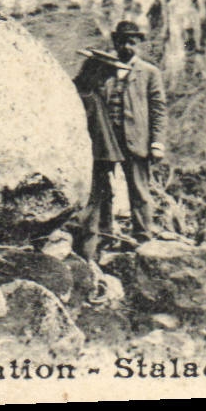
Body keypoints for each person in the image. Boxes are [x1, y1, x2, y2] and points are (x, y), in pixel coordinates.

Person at [74, 21, 167, 257]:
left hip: (136, 140)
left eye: (132, 42)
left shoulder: (149, 73)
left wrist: (157, 143)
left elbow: (158, 110)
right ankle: (102, 237)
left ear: (139, 44)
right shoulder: (103, 68)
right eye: (122, 41)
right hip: (104, 140)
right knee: (101, 190)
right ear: (115, 42)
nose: (126, 46)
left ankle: (143, 238)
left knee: (139, 189)